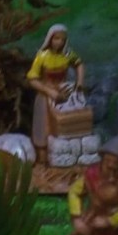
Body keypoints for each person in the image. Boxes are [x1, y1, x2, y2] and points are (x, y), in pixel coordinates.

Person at [26, 23, 85, 160]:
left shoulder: (67, 54)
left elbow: (79, 64)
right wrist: (49, 92)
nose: (59, 42)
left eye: (62, 39)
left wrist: (80, 82)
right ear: (50, 38)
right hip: (46, 94)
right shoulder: (42, 56)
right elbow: (32, 79)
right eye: (56, 38)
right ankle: (43, 157)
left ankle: (65, 154)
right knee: (44, 125)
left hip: (64, 93)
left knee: (67, 122)